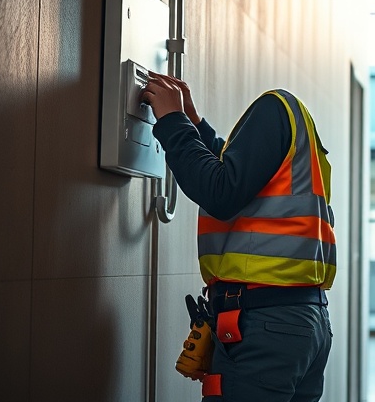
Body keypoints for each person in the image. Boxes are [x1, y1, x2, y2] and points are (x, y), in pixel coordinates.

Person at [142, 73, 335, 402]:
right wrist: (194, 125)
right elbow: (239, 175)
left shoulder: (273, 108)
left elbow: (222, 191)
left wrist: (173, 122)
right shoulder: (294, 118)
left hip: (265, 323)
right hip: (302, 320)